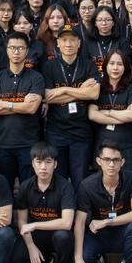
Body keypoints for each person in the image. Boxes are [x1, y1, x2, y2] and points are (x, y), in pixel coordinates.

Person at [76, 140, 132, 263]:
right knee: (84, 258)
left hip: (122, 232)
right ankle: (97, 258)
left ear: (122, 162)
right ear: (99, 161)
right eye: (107, 159)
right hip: (97, 235)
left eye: (116, 160)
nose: (111, 164)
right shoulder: (87, 185)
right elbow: (80, 222)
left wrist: (106, 221)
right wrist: (78, 259)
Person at [14, 141, 82, 263]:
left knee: (63, 236)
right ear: (33, 164)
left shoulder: (65, 186)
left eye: (48, 162)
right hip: (37, 236)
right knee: (17, 254)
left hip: (58, 234)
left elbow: (67, 223)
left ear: (55, 164)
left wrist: (34, 225)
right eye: (39, 162)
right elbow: (22, 221)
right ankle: (44, 259)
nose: (43, 167)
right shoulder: (25, 186)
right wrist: (31, 246)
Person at [40, 27, 100, 189]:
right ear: (58, 43)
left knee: (80, 180)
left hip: (81, 132)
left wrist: (63, 90)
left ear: (79, 43)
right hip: (56, 132)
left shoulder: (88, 65)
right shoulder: (49, 66)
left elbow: (94, 93)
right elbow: (47, 96)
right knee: (57, 179)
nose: (68, 44)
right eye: (64, 40)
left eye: (73, 40)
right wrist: (81, 91)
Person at [0, 32, 46, 185]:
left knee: (28, 188)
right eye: (12, 48)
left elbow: (32, 108)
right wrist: (22, 105)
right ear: (6, 50)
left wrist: (5, 104)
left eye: (20, 48)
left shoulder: (36, 77)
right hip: (3, 144)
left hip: (28, 143)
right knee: (4, 188)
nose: (16, 52)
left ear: (27, 51)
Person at [89, 51, 132, 172]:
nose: (115, 67)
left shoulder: (131, 88)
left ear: (125, 67)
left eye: (120, 64)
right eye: (112, 63)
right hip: (102, 144)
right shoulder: (99, 87)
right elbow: (92, 114)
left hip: (127, 144)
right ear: (105, 65)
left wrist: (108, 112)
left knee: (128, 180)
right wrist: (123, 116)